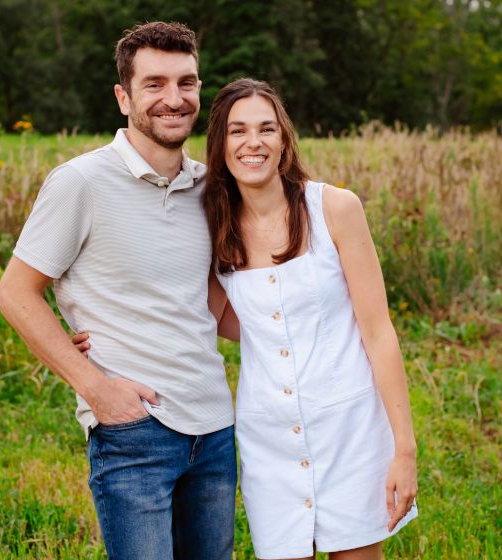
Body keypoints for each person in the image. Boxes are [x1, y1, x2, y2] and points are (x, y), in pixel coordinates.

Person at [0, 22, 237, 560]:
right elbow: (16, 293)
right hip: (135, 431)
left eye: (186, 83)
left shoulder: (212, 187)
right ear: (123, 97)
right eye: (154, 84)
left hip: (215, 428)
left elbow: (210, 305)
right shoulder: (80, 182)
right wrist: (96, 388)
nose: (174, 99)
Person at [203, 79, 418, 559]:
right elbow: (211, 319)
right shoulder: (214, 228)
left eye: (266, 129)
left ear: (284, 140)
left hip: (350, 429)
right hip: (269, 438)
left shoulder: (334, 209)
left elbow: (378, 332)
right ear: (220, 145)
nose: (253, 142)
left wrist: (404, 449)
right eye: (238, 131)